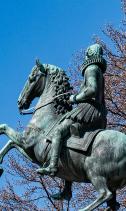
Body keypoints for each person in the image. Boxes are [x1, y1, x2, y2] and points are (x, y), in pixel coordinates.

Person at [38, 43, 107, 180]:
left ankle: (52, 166)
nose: (85, 56)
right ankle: (67, 189)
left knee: (58, 131)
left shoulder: (91, 69)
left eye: (87, 53)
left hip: (88, 109)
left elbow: (91, 90)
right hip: (98, 112)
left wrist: (74, 98)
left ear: (90, 54)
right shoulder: (98, 70)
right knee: (69, 141)